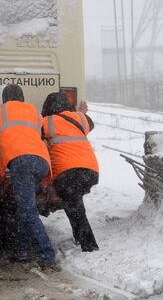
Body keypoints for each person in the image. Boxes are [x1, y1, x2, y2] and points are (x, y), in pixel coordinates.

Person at [0, 82, 56, 268]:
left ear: (5, 99)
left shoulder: (2, 110)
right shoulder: (34, 112)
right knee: (23, 208)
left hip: (23, 162)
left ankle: (47, 254)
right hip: (41, 161)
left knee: (28, 210)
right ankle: (20, 250)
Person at [41, 92, 99, 252]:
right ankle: (80, 239)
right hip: (90, 170)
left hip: (68, 171)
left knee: (75, 207)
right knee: (73, 202)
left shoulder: (46, 122)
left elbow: (37, 133)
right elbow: (90, 124)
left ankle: (90, 246)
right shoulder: (79, 118)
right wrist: (80, 113)